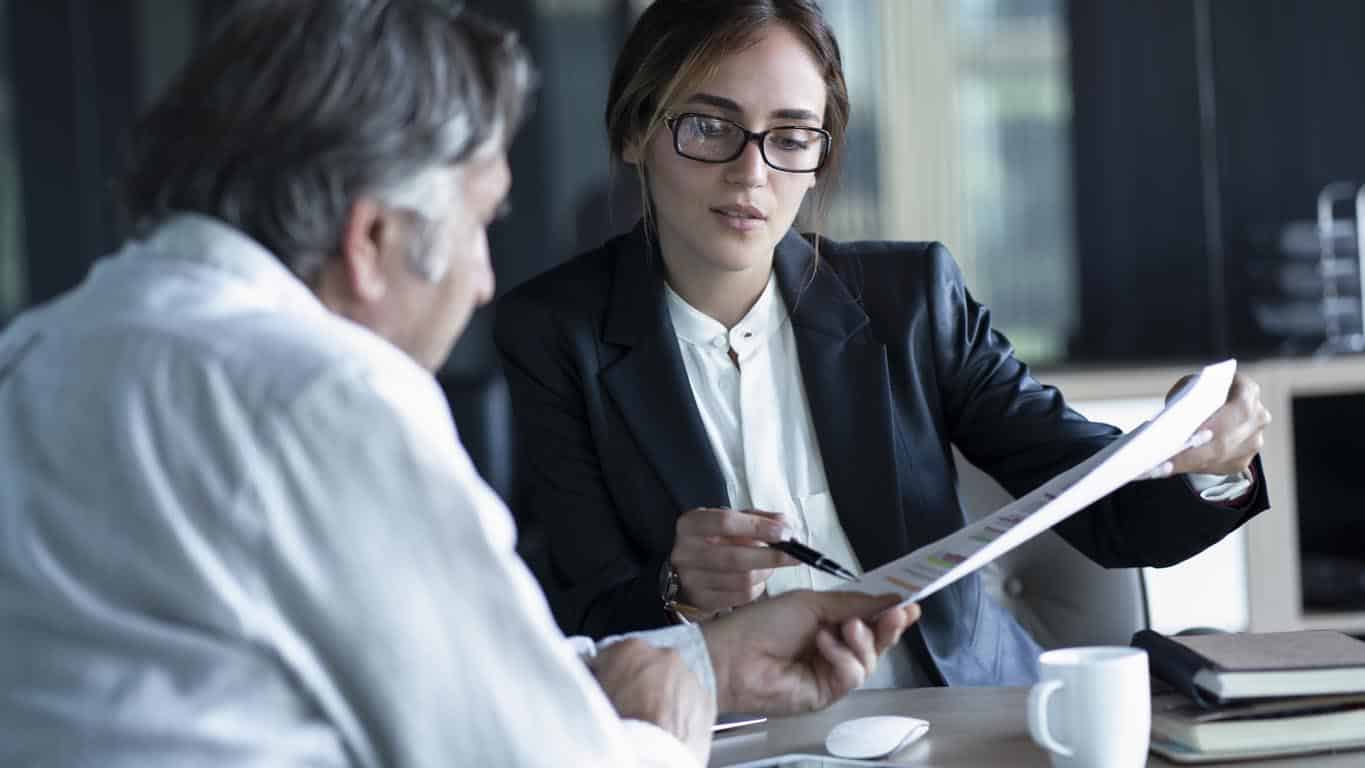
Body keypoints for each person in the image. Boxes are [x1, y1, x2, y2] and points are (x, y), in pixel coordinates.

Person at [0, 2, 920, 766]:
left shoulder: (47, 349)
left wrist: (704, 662)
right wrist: (663, 728)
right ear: (372, 243)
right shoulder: (322, 396)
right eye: (479, 222)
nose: (483, 281)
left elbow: (413, 669)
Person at [494, 0, 1272, 688]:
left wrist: (1214, 462)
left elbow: (1108, 514)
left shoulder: (911, 300)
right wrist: (676, 588)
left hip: (955, 720)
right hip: (725, 739)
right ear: (635, 131)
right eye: (708, 127)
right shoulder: (554, 333)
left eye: (791, 137)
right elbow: (575, 619)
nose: (749, 173)